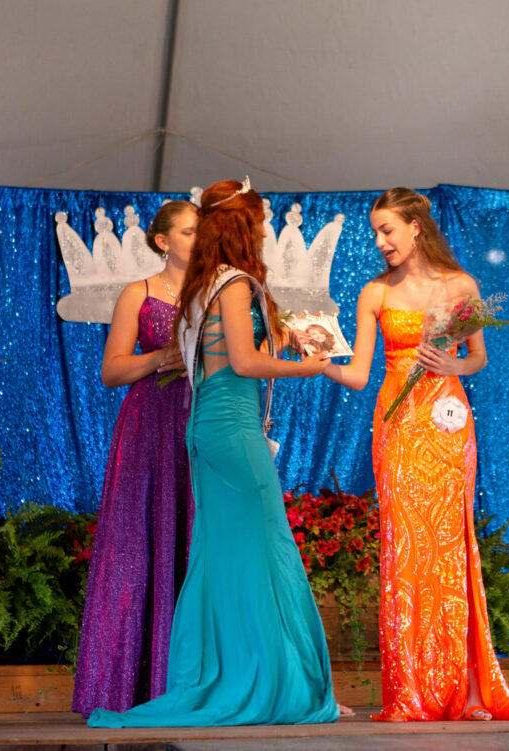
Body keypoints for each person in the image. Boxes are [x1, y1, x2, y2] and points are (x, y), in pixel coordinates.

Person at [87, 178, 339, 727]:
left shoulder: (207, 282)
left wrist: (285, 337)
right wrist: (309, 368)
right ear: (243, 226)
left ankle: (233, 676)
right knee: (265, 547)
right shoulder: (235, 282)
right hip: (230, 425)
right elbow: (243, 363)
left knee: (223, 554)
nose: (265, 231)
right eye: (260, 222)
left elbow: (225, 352)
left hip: (210, 424)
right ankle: (264, 681)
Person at [322, 188, 509, 722]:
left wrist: (452, 365)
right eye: (375, 232)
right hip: (397, 427)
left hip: (447, 427)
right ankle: (411, 691)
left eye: (387, 229)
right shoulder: (374, 293)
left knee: (450, 547)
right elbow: (359, 374)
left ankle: (466, 691)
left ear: (415, 227)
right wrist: (318, 360)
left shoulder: (461, 285)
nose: (380, 241)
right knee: (405, 550)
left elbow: (478, 357)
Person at [72, 201, 198, 716]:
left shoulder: (218, 294)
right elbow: (111, 371)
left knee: (194, 540)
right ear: (163, 241)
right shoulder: (139, 292)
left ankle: (193, 679)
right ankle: (129, 685)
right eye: (189, 231)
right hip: (149, 428)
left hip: (201, 424)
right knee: (140, 542)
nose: (199, 238)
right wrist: (161, 357)